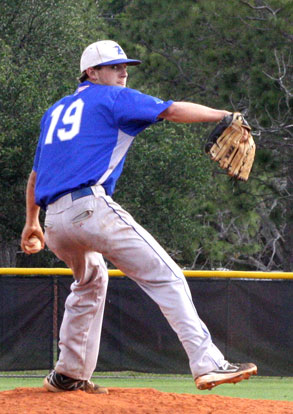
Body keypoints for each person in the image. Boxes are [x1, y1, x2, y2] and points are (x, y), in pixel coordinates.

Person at [21, 40, 257, 393]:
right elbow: (171, 110)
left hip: (55, 221)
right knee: (167, 275)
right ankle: (209, 363)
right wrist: (223, 115)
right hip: (89, 207)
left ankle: (68, 373)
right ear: (91, 73)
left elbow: (36, 176)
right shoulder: (110, 97)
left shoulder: (55, 111)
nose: (123, 72)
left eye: (124, 66)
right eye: (115, 66)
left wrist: (31, 222)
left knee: (91, 280)